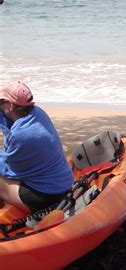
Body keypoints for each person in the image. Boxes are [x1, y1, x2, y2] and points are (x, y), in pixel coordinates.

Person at [0, 81, 74, 212]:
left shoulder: (19, 135)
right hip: (64, 184)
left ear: (11, 106)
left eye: (1, 102)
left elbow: (8, 170)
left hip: (46, 197)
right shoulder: (38, 113)